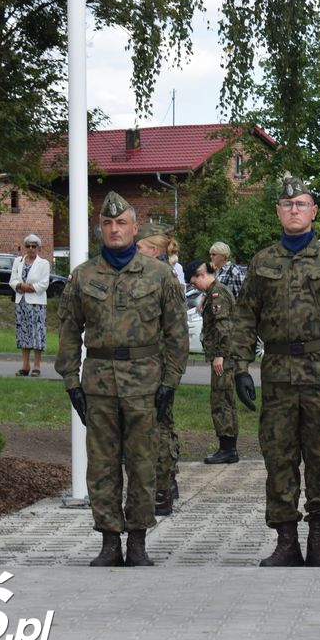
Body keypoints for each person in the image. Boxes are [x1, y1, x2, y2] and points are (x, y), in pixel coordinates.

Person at [232, 173, 320, 568]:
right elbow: (244, 318)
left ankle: (319, 542)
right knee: (279, 458)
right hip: (277, 374)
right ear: (278, 212)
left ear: (314, 212)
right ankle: (286, 541)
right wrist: (240, 367)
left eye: (302, 204)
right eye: (288, 205)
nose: (294, 210)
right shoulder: (263, 261)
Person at [56, 191, 188, 567]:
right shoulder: (83, 276)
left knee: (143, 462)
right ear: (101, 229)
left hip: (145, 383)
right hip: (98, 384)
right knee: (101, 464)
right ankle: (110, 540)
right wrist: (71, 381)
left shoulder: (159, 275)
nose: (115, 229)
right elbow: (68, 331)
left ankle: (139, 540)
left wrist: (170, 382)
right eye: (108, 224)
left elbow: (176, 333)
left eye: (122, 223)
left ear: (134, 227)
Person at [135, 222, 184, 515]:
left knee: (161, 427)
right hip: (146, 366)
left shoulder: (165, 279)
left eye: (140, 248)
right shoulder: (147, 276)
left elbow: (175, 333)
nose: (136, 252)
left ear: (152, 250)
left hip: (161, 366)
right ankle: (166, 481)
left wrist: (169, 376)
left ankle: (164, 487)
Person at [187, 258, 241, 465]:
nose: (194, 286)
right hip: (222, 355)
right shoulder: (212, 293)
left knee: (222, 401)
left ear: (202, 275)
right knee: (223, 400)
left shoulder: (217, 294)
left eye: (194, 282)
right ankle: (228, 448)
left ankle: (227, 449)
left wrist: (220, 354)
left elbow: (224, 327)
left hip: (223, 358)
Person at [9, 234, 50, 377]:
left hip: (37, 303)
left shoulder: (43, 263)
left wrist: (29, 287)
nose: (31, 249)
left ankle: (37, 366)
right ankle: (25, 366)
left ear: (38, 248)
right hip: (21, 302)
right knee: (23, 334)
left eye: (34, 246)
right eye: (28, 246)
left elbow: (44, 283)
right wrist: (20, 285)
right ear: (24, 247)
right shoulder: (18, 261)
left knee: (37, 334)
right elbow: (12, 280)